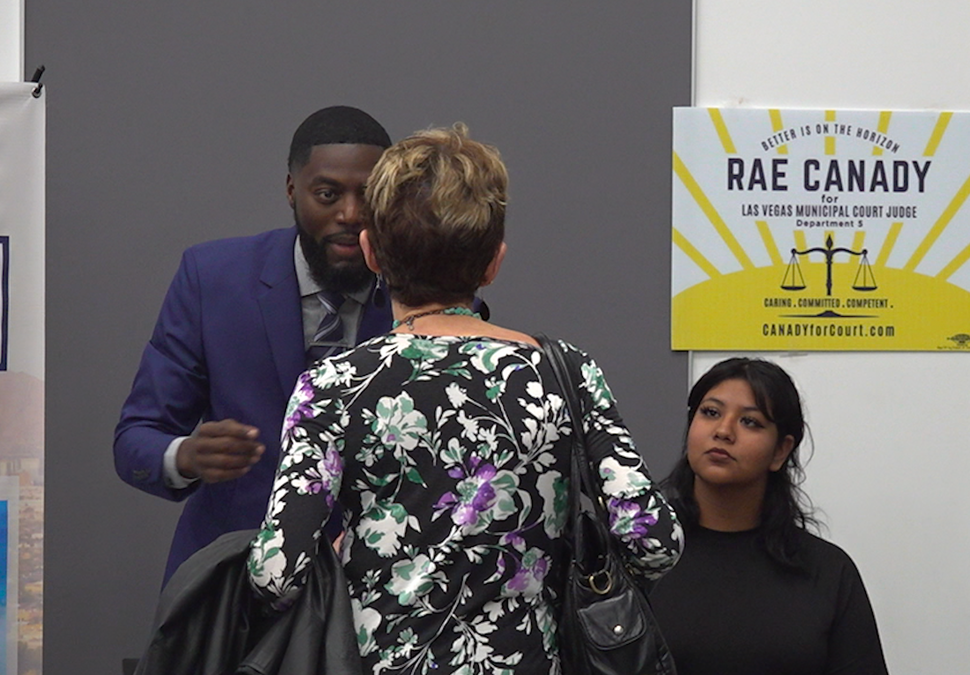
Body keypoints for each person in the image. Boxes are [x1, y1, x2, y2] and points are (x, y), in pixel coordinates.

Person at [245, 124, 683, 674]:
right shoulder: (564, 370)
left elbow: (276, 575)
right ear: (494, 263)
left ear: (371, 252)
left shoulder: (334, 384)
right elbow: (655, 541)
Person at [115, 106, 395, 583]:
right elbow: (135, 439)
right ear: (292, 189)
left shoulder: (422, 292)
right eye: (327, 194)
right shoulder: (214, 279)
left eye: (367, 195)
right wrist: (185, 456)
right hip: (233, 584)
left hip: (377, 588)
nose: (350, 214)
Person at [650, 358, 888, 675]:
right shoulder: (640, 559)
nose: (723, 431)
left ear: (780, 451)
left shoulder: (827, 572)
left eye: (750, 422)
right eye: (710, 413)